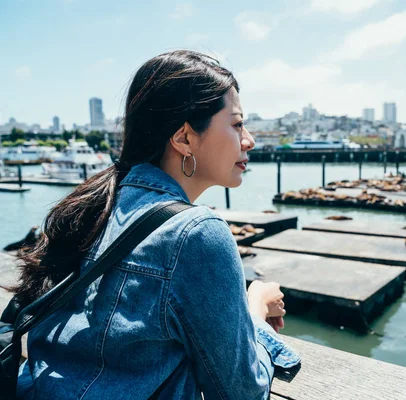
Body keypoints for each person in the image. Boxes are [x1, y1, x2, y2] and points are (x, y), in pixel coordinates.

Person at [13, 50, 299, 399]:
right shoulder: (197, 232)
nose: (249, 140)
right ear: (183, 138)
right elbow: (244, 392)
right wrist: (254, 307)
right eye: (237, 124)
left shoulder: (94, 204)